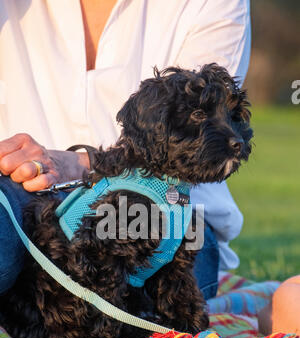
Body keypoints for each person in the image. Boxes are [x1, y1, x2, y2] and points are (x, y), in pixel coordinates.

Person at [0, 0, 251, 298]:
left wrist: (80, 162)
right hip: (24, 197)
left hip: (172, 208)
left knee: (148, 274)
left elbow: (195, 138)